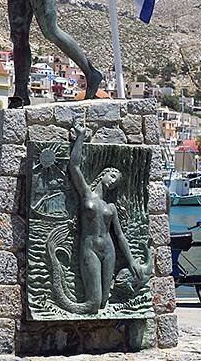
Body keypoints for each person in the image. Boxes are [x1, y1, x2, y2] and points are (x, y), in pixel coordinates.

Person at [47, 124, 143, 314]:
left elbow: (120, 236)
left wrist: (131, 260)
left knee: (103, 302)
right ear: (103, 174)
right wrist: (80, 137)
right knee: (93, 302)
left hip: (109, 250)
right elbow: (74, 166)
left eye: (117, 180)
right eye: (112, 175)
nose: (114, 181)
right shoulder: (86, 195)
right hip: (89, 247)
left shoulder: (111, 207)